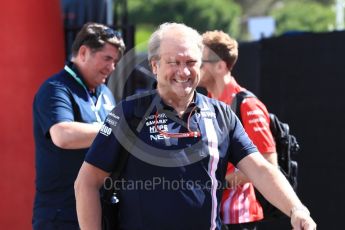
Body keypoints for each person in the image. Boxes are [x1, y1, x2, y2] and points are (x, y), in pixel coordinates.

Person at [74, 22, 316, 230]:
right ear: (155, 65)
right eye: (174, 62)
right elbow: (86, 182)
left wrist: (296, 209)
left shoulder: (222, 115)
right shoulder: (129, 113)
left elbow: (261, 169)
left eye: (191, 62)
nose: (184, 71)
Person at [32, 22, 125, 229]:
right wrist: (119, 130)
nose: (112, 67)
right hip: (62, 214)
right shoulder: (56, 89)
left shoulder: (105, 93)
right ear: (83, 52)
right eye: (107, 58)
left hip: (101, 209)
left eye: (115, 61)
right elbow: (63, 135)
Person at [199, 30, 278, 229]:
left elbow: (268, 164)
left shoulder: (247, 105)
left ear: (220, 66)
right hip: (213, 215)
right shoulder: (206, 103)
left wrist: (219, 181)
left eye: (200, 62)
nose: (194, 67)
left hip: (239, 218)